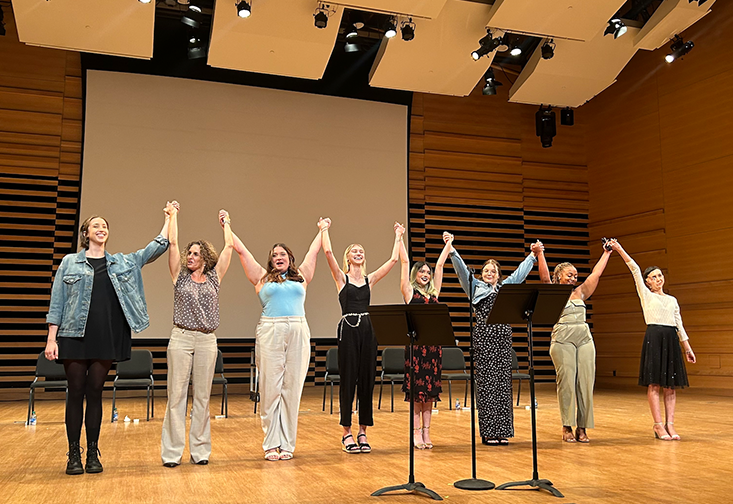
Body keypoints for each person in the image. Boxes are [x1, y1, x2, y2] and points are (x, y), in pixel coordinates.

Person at [44, 208, 170, 475]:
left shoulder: (121, 263)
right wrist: (51, 339)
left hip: (106, 336)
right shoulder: (69, 262)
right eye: (96, 225)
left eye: (105, 225)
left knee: (95, 391)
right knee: (75, 391)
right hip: (73, 334)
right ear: (86, 233)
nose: (101, 228)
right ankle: (73, 455)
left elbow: (153, 250)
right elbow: (57, 303)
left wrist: (170, 218)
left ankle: (92, 453)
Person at [231, 219, 326, 461]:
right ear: (270, 261)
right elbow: (241, 250)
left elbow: (313, 251)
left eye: (283, 254)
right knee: (270, 388)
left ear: (290, 259)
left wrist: (322, 229)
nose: (278, 257)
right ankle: (271, 444)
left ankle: (287, 445)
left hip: (298, 328)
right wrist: (227, 226)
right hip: (270, 330)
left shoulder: (301, 277)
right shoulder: (262, 278)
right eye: (274, 255)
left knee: (291, 389)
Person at [449, 237, 544, 445]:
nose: (489, 274)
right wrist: (452, 250)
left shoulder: (505, 287)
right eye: (486, 271)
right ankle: (489, 432)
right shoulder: (475, 288)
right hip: (484, 340)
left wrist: (532, 255)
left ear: (499, 275)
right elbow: (462, 271)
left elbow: (520, 273)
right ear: (482, 275)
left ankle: (502, 431)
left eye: (493, 271)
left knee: (502, 386)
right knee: (486, 386)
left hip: (502, 341)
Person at [321, 220, 405, 453]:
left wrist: (398, 236)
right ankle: (346, 432)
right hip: (348, 328)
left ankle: (363, 431)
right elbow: (327, 252)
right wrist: (324, 229)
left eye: (361, 251)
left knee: (367, 380)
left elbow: (393, 261)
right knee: (349, 380)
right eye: (354, 251)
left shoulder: (370, 279)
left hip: (369, 328)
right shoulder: (341, 278)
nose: (358, 253)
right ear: (348, 257)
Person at [160, 203, 234, 467]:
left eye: (194, 253)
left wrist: (226, 224)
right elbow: (172, 243)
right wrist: (174, 215)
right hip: (181, 338)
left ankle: (200, 451)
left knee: (202, 397)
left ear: (204, 257)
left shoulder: (214, 279)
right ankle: (171, 454)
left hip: (206, 339)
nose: (189, 256)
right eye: (188, 253)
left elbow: (229, 248)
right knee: (176, 396)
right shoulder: (179, 277)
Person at [610, 240, 696, 441]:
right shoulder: (646, 295)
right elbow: (634, 268)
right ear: (647, 281)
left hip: (671, 339)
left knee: (671, 385)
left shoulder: (672, 300)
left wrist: (687, 348)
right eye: (653, 277)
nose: (658, 279)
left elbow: (679, 325)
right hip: (654, 337)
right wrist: (619, 248)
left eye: (660, 275)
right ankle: (658, 425)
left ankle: (670, 424)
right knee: (655, 384)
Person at [545, 242, 613, 443]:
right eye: (569, 275)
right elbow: (543, 277)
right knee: (566, 382)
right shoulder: (553, 292)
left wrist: (606, 253)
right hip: (562, 338)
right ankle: (566, 426)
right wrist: (540, 254)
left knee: (585, 382)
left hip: (584, 338)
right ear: (559, 276)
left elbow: (596, 274)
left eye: (575, 275)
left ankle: (582, 428)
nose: (574, 278)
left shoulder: (581, 292)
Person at [398, 231, 453, 449]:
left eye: (427, 272)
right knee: (416, 395)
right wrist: (399, 239)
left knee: (429, 394)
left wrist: (448, 245)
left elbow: (440, 267)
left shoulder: (434, 293)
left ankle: (427, 433)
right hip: (415, 348)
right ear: (415, 274)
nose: (426, 274)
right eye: (421, 271)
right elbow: (404, 262)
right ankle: (415, 433)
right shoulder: (409, 292)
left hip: (433, 349)